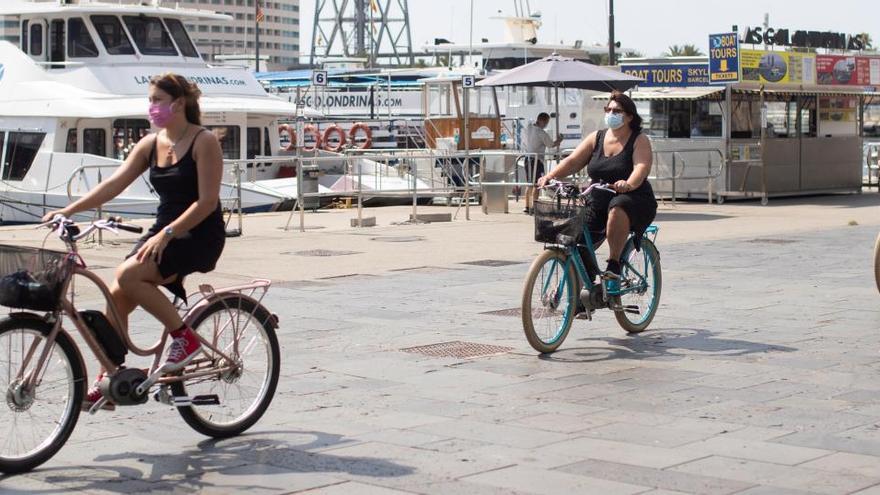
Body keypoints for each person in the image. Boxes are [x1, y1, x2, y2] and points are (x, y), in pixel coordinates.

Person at [43, 73, 226, 410]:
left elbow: (207, 203)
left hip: (198, 234)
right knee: (115, 295)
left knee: (128, 275)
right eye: (151, 100)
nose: (151, 107)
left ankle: (184, 338)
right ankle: (110, 378)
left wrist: (166, 234)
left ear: (178, 103)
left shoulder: (204, 142)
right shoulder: (151, 143)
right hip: (162, 232)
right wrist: (68, 209)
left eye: (157, 100)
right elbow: (114, 183)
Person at [537, 91, 657, 281]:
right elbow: (573, 161)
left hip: (633, 197)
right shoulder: (597, 137)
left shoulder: (639, 139)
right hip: (598, 198)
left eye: (617, 111)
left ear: (629, 116)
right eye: (608, 109)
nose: (611, 113)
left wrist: (628, 183)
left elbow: (641, 167)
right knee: (577, 241)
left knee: (617, 208)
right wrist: (550, 176)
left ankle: (614, 264)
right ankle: (587, 294)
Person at [522, 112, 562, 213]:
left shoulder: (529, 128)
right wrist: (560, 140)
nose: (546, 125)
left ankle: (526, 206)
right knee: (537, 184)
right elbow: (551, 144)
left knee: (529, 183)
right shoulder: (541, 133)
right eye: (546, 122)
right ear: (542, 121)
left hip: (527, 158)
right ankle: (534, 207)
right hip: (537, 160)